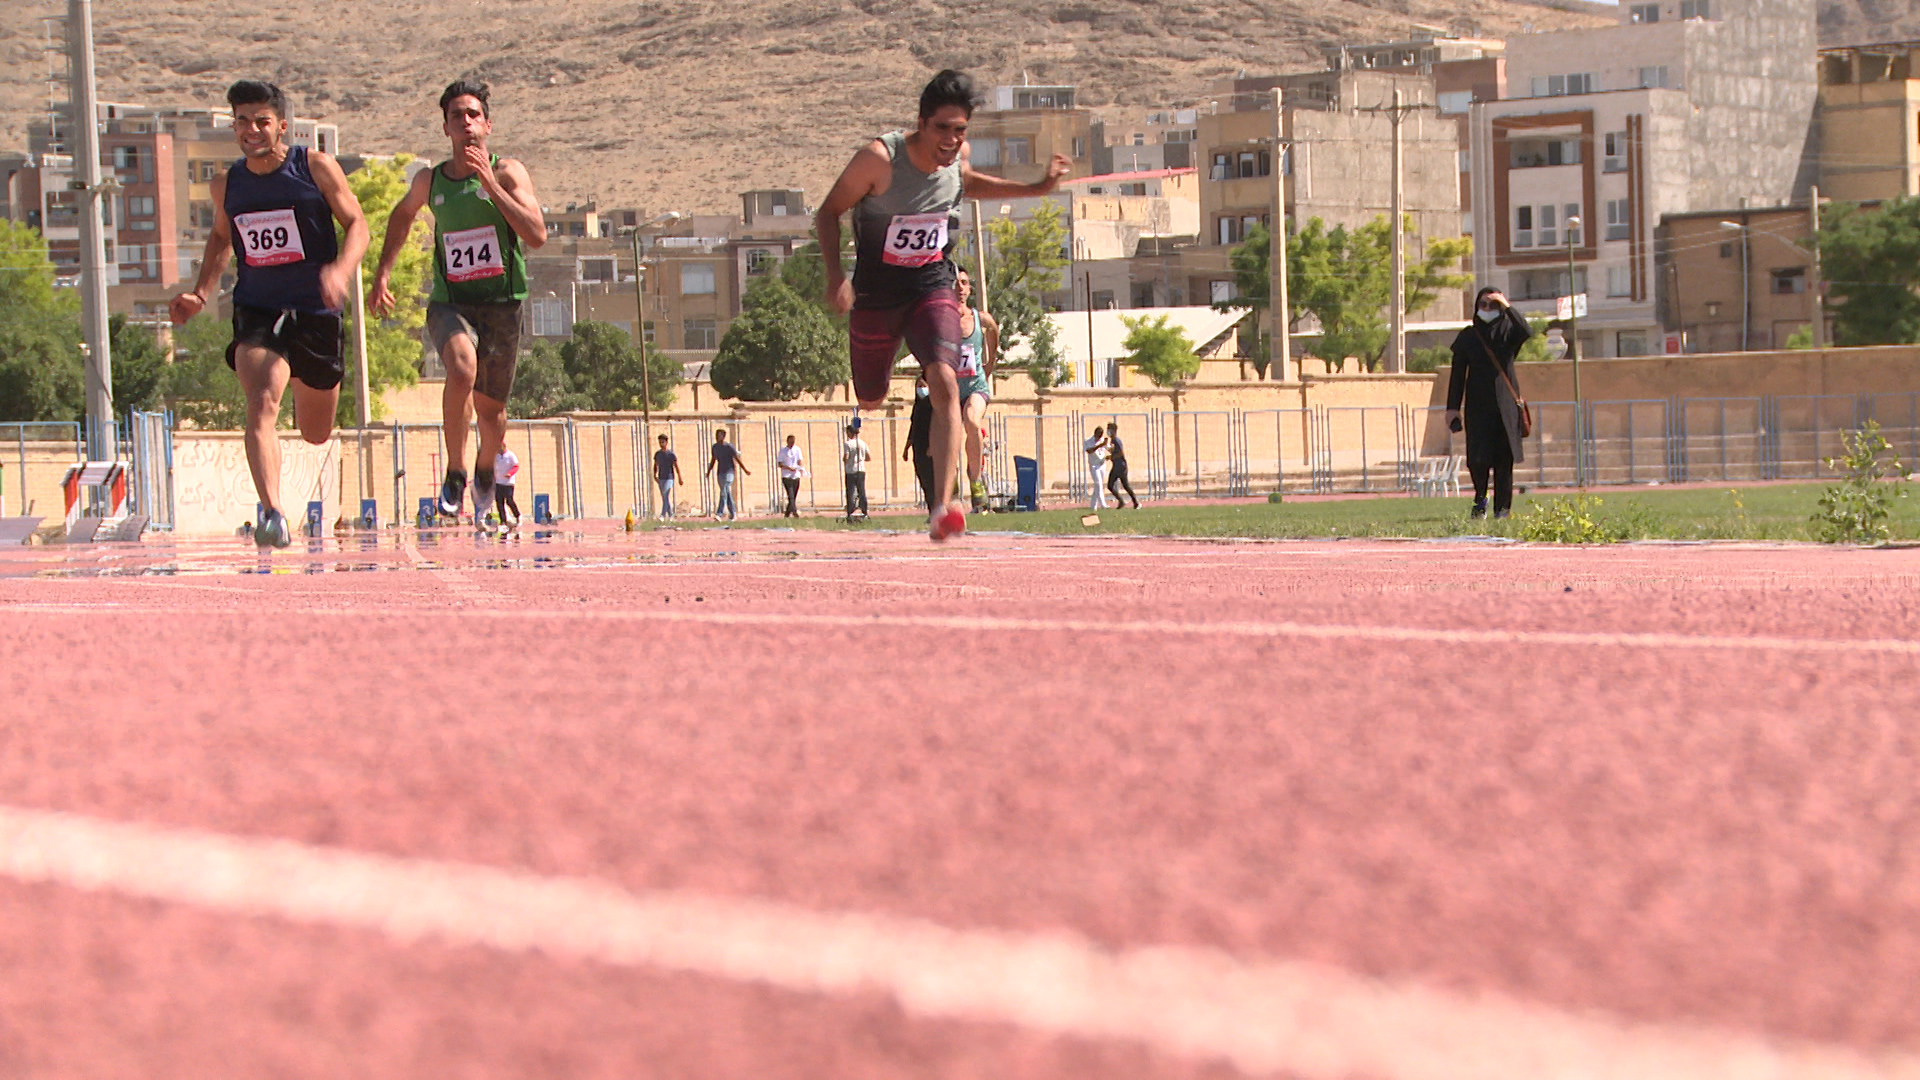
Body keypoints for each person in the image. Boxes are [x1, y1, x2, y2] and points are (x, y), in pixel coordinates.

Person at [815, 69, 1070, 541]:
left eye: (961, 130)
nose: (952, 140)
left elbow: (965, 183)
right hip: (876, 290)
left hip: (933, 282)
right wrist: (837, 277)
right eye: (942, 129)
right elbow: (828, 211)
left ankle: (943, 507)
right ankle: (878, 381)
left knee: (946, 381)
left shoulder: (958, 159)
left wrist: (1035, 187)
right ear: (920, 122)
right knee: (869, 397)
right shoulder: (879, 159)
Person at [169, 80, 369, 549]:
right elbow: (222, 237)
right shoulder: (227, 184)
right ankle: (273, 513)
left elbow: (357, 223)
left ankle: (306, 392)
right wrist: (200, 293)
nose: (252, 129)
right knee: (261, 402)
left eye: (262, 121)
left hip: (316, 310)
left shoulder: (314, 167)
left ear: (281, 125)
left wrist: (341, 269)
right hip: (257, 306)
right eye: (242, 120)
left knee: (316, 432)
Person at [371, 79, 546, 528]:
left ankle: (487, 466)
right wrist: (384, 271)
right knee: (461, 367)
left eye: (473, 115)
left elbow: (536, 234)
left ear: (487, 124)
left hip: (502, 306)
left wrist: (489, 183)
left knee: (492, 413)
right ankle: (456, 470)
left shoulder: (507, 172)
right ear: (446, 127)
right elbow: (402, 214)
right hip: (452, 302)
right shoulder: (430, 181)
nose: (465, 123)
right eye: (456, 116)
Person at [1447, 286, 1531, 520]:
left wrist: (1507, 305)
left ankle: (1502, 510)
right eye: (1482, 304)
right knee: (1478, 460)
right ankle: (1480, 500)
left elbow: (1526, 330)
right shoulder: (1468, 336)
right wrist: (1452, 408)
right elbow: (1457, 375)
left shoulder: (1508, 333)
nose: (1487, 309)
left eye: (1492, 305)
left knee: (1505, 462)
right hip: (1477, 407)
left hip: (1506, 408)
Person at [953, 266, 1000, 512]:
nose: (959, 288)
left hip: (976, 387)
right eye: (955, 283)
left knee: (972, 421)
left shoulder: (979, 318)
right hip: (950, 391)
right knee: (947, 433)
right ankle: (950, 484)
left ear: (970, 288)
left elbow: (993, 329)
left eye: (964, 283)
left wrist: (990, 362)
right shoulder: (941, 319)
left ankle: (976, 482)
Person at [905, 377, 937, 511]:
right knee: (922, 476)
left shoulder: (932, 405)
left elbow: (934, 426)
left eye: (923, 386)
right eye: (918, 386)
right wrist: (906, 447)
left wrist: (932, 445)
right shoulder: (917, 406)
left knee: (932, 478)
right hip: (918, 446)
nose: (921, 389)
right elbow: (913, 427)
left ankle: (937, 508)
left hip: (929, 446)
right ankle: (931, 509)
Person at [707, 428, 749, 520]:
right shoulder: (715, 447)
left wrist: (745, 469)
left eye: (719, 436)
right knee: (726, 492)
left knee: (724, 490)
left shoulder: (729, 447)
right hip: (720, 472)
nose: (717, 437)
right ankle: (733, 513)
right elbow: (713, 459)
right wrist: (709, 471)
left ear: (723, 437)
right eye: (716, 435)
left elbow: (737, 458)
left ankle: (719, 513)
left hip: (729, 471)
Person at [1104, 421, 1140, 509]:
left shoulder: (1116, 440)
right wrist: (1106, 447)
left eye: (1109, 429)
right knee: (1112, 485)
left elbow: (1121, 453)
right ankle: (1123, 501)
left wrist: (1111, 457)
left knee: (1123, 485)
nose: (1108, 431)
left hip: (1120, 466)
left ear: (1114, 430)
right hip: (1116, 466)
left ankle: (1135, 502)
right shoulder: (1112, 440)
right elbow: (1114, 451)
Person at [841, 423, 871, 521]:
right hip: (861, 470)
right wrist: (860, 459)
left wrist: (846, 460)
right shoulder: (862, 443)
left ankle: (850, 511)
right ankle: (864, 510)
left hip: (851, 470)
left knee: (850, 491)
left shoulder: (848, 444)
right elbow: (868, 457)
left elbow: (846, 457)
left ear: (850, 433)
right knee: (861, 491)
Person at [652, 434, 684, 518]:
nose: (661, 444)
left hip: (669, 478)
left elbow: (676, 466)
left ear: (666, 442)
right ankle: (671, 515)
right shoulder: (657, 454)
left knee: (665, 494)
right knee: (664, 497)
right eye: (660, 442)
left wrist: (680, 477)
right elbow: (655, 465)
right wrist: (654, 475)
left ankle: (662, 515)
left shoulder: (671, 454)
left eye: (663, 442)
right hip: (661, 477)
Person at [776, 434, 807, 518]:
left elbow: (800, 461)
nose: (792, 443)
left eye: (793, 442)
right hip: (786, 475)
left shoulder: (797, 449)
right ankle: (795, 512)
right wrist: (788, 468)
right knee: (791, 495)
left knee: (794, 496)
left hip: (795, 475)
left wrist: (801, 469)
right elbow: (780, 464)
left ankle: (787, 514)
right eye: (790, 441)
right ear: (787, 441)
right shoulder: (783, 451)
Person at [1083, 424, 1111, 510]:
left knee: (1098, 485)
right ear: (1095, 433)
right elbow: (1089, 451)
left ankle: (1093, 505)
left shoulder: (1102, 440)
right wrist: (1100, 445)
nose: (1099, 438)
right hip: (1094, 466)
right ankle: (1103, 504)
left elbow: (1109, 449)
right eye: (1098, 435)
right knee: (1098, 483)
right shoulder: (1088, 441)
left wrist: (1111, 450)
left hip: (1102, 465)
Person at [494, 444, 521, 526]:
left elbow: (516, 466)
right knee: (499, 502)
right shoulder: (496, 456)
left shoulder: (510, 455)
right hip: (498, 482)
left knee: (509, 500)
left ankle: (517, 515)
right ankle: (503, 521)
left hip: (508, 483)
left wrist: (510, 473)